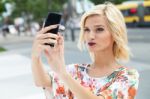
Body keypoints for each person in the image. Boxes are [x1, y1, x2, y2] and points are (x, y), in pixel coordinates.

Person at [31, 2, 139, 99]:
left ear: (115, 33)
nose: (90, 36)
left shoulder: (127, 77)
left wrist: (62, 73)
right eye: (87, 30)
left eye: (99, 29)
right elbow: (41, 81)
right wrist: (35, 55)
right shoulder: (75, 71)